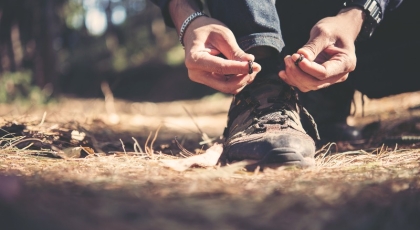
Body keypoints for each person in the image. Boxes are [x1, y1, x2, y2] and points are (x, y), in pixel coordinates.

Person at [150, 0, 419, 168]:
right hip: (270, 24)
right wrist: (188, 17)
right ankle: (266, 85)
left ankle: (324, 100)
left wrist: (358, 14)